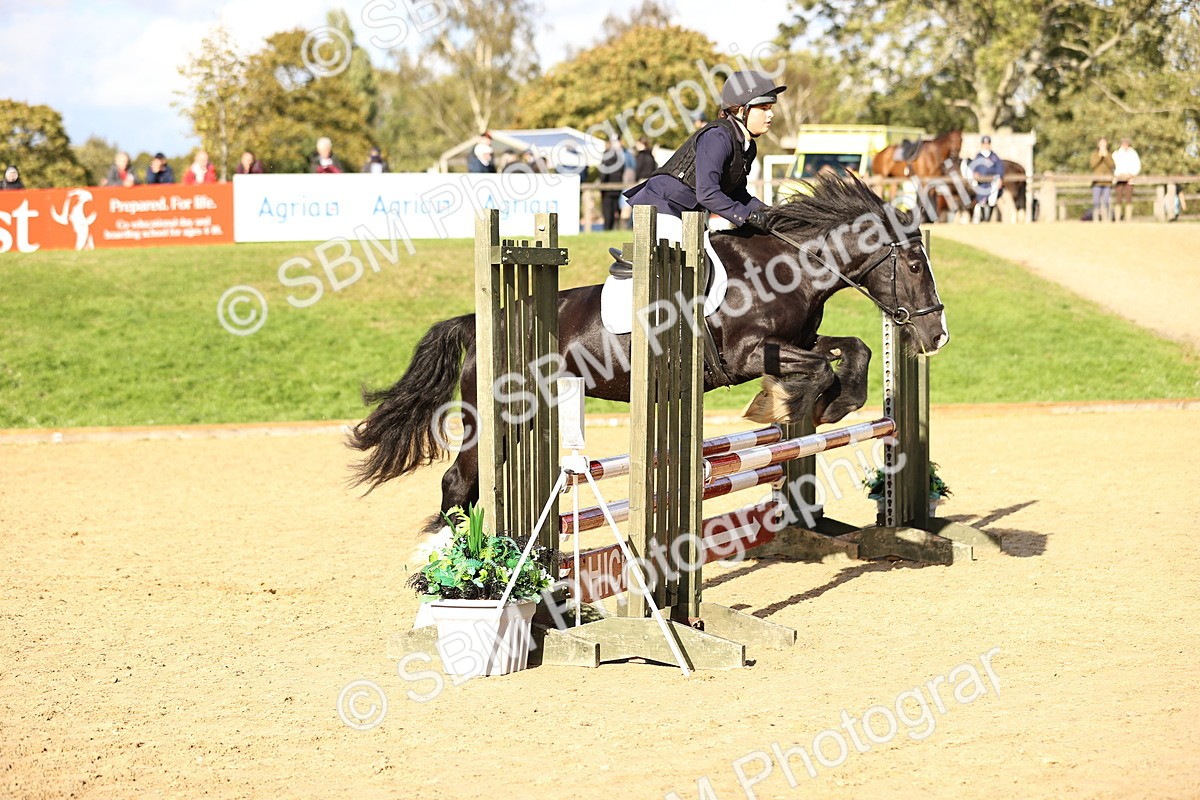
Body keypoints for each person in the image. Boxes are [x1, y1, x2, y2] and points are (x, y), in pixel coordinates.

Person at [625, 70, 786, 234]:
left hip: (687, 213)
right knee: (698, 256)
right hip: (660, 206)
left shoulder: (747, 147)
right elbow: (707, 193)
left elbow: (737, 194)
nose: (770, 114)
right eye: (764, 108)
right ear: (741, 110)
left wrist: (772, 214)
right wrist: (748, 217)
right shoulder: (717, 137)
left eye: (770, 108)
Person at [967, 135, 1004, 222]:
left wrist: (999, 179)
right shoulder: (978, 156)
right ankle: (984, 219)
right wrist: (975, 174)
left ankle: (988, 219)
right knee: (982, 201)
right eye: (984, 143)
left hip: (992, 182)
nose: (986, 145)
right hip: (981, 183)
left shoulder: (994, 156)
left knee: (992, 200)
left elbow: (999, 169)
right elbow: (974, 168)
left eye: (987, 143)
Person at [599, 136, 626, 231]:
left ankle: (607, 228)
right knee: (615, 208)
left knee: (607, 210)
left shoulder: (606, 157)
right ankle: (614, 227)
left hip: (607, 187)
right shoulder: (620, 157)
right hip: (618, 186)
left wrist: (601, 186)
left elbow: (603, 173)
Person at [1112, 138, 1141, 221]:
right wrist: (1118, 175)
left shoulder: (1133, 153)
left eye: (1127, 143)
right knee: (1118, 199)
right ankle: (1118, 218)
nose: (1125, 145)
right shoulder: (1116, 153)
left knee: (1128, 199)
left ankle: (1128, 219)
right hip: (1119, 179)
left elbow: (1137, 165)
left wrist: (1131, 174)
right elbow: (1113, 167)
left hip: (1130, 179)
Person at [1089, 138, 1114, 222]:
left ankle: (1106, 218)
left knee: (1106, 201)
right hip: (1096, 182)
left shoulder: (1109, 154)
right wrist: (1100, 156)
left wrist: (1106, 156)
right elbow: (1092, 165)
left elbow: (1112, 165)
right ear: (1098, 144)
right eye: (1101, 143)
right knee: (1096, 201)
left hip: (1107, 182)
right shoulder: (1094, 154)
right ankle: (1096, 219)